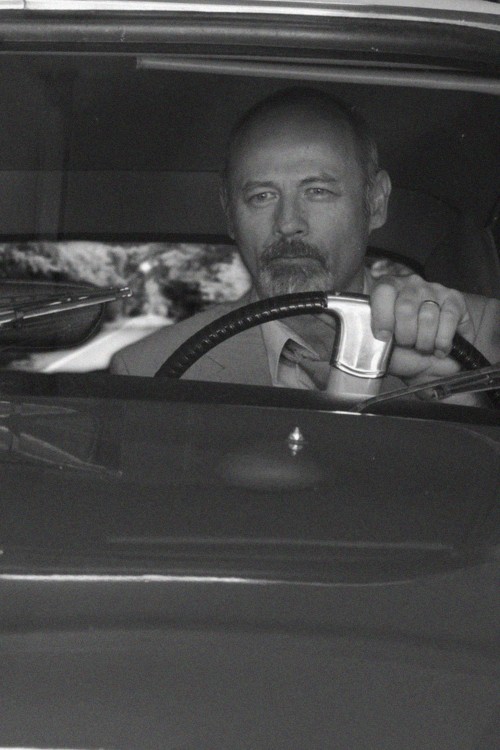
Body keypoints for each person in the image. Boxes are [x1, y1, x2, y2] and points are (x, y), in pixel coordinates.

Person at [110, 88, 500, 403]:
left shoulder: (481, 337)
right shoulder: (149, 371)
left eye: (317, 191)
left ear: (376, 202)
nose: (288, 224)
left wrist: (456, 399)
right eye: (262, 196)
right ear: (229, 214)